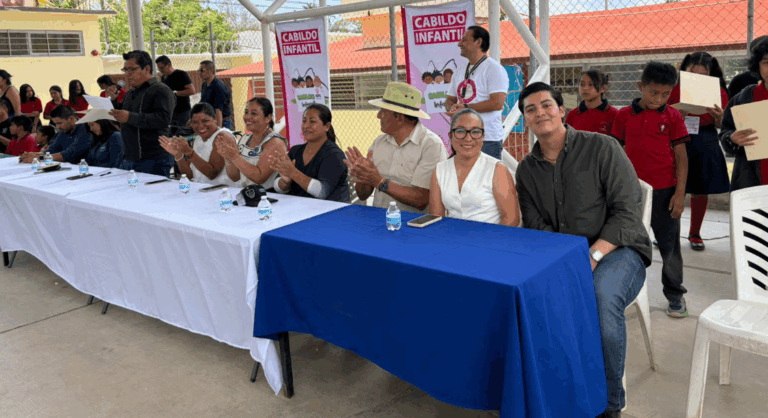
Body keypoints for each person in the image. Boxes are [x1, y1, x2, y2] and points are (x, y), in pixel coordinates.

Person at [515, 82, 651, 418]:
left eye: (546, 105)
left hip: (619, 250)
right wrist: (570, 261)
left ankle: (609, 404)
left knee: (601, 299)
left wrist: (593, 256)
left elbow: (628, 211)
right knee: (525, 296)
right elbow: (535, 224)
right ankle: (555, 387)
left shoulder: (601, 147)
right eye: (530, 109)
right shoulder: (526, 169)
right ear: (525, 121)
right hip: (564, 256)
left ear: (562, 110)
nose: (539, 113)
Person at [612, 61, 689, 318]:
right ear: (641, 87)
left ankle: (675, 294)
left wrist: (680, 194)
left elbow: (681, 157)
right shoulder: (623, 116)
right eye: (653, 92)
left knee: (669, 246)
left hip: (666, 193)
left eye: (665, 94)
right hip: (632, 194)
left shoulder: (674, 117)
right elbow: (615, 155)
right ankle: (624, 293)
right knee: (628, 245)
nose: (659, 98)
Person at [345, 82, 447, 213]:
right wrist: (363, 175)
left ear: (398, 116)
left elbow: (422, 200)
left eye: (383, 111)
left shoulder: (431, 145)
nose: (378, 115)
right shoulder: (379, 142)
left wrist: (380, 182)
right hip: (378, 219)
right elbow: (363, 195)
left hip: (412, 224)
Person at [668, 52, 730, 251]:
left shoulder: (719, 91)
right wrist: (675, 115)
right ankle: (670, 233)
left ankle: (695, 232)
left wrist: (719, 117)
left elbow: (724, 124)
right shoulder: (675, 89)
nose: (697, 79)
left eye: (703, 76)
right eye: (692, 75)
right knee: (672, 186)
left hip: (704, 137)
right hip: (677, 138)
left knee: (700, 188)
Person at [430, 108, 518, 225]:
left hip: (490, 238)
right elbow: (436, 218)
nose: (468, 138)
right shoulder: (440, 170)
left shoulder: (497, 169)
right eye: (460, 131)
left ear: (483, 137)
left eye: (475, 132)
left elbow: (511, 219)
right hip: (452, 237)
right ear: (450, 136)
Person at [445, 26, 509, 159]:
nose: (459, 44)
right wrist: (452, 108)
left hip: (487, 138)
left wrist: (466, 109)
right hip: (461, 136)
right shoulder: (460, 70)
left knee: (485, 178)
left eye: (464, 40)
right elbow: (450, 98)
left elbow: (497, 103)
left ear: (478, 42)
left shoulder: (494, 69)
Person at [109, 50, 176, 177]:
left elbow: (163, 119)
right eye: (125, 70)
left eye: (132, 70)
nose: (127, 74)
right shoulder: (130, 93)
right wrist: (113, 105)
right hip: (129, 158)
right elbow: (122, 119)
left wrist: (129, 117)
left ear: (147, 68)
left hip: (153, 159)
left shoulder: (161, 90)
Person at [268, 103, 349, 202]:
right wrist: (285, 182)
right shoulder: (295, 151)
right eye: (304, 121)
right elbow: (278, 188)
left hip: (331, 213)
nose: (306, 126)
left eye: (312, 122)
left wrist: (292, 172)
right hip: (299, 209)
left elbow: (322, 192)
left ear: (327, 126)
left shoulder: (334, 154)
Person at [720, 36, 768, 190]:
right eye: (767, 63)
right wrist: (732, 138)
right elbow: (725, 132)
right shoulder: (743, 99)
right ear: (757, 66)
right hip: (751, 183)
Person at [215, 97, 287, 188]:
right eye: (246, 112)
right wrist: (228, 158)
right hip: (248, 195)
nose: (248, 117)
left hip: (268, 198)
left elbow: (259, 177)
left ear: (268, 118)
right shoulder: (244, 139)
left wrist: (235, 157)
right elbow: (235, 177)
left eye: (254, 113)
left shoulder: (275, 142)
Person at [159, 103, 235, 185]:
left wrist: (189, 152)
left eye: (205, 121)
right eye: (195, 122)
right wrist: (178, 155)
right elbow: (189, 175)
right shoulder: (198, 139)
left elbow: (212, 174)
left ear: (215, 119)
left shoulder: (223, 137)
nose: (200, 126)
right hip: (203, 191)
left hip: (223, 193)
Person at [19, 104, 92, 164]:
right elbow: (51, 150)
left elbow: (71, 154)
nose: (57, 127)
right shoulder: (63, 131)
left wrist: (39, 157)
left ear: (72, 119)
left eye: (59, 123)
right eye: (55, 124)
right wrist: (33, 155)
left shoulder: (85, 129)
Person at [565, 69, 619, 135]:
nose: (585, 88)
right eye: (582, 84)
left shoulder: (614, 114)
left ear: (603, 88)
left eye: (590, 84)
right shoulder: (572, 115)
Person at [156, 55, 195, 134]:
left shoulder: (181, 74)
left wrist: (176, 93)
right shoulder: (164, 77)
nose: (161, 71)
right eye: (159, 69)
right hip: (170, 112)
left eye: (162, 68)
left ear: (169, 65)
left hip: (182, 111)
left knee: (182, 134)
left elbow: (192, 90)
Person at [199, 60, 232, 129]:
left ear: (211, 71)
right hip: (210, 121)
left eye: (202, 70)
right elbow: (202, 104)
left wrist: (218, 129)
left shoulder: (218, 87)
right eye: (199, 70)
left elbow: (218, 111)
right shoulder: (205, 85)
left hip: (222, 122)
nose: (200, 73)